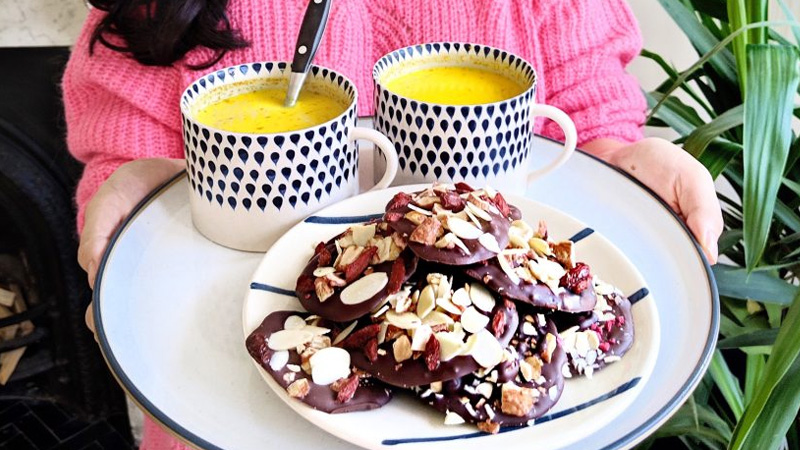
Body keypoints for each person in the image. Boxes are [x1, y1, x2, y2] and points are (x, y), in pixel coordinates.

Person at [64, 1, 723, 448]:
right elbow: (127, 128)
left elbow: (581, 105)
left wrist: (618, 155)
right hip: (221, 406)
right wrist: (129, 186)